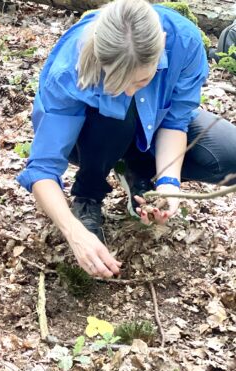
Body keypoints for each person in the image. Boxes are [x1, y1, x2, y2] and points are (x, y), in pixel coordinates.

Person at [17, 0, 236, 278]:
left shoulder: (184, 42)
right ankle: (88, 195)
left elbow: (175, 121)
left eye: (141, 81)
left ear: (162, 45)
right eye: (118, 82)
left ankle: (139, 172)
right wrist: (73, 232)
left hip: (153, 126)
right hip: (90, 138)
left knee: (230, 154)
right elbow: (42, 168)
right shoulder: (68, 69)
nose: (130, 91)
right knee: (115, 115)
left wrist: (169, 183)